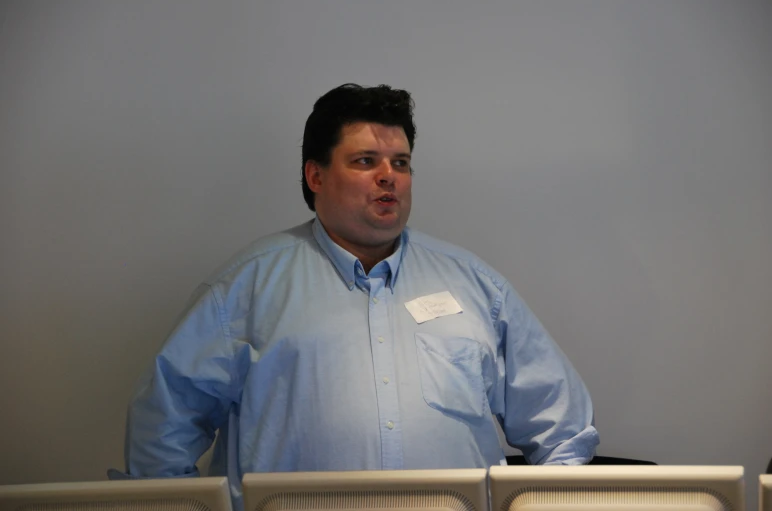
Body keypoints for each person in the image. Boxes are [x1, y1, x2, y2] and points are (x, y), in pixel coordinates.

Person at [112, 83, 599, 508]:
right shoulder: (245, 290)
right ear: (316, 176)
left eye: (401, 163)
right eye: (366, 161)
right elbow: (160, 442)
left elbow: (563, 432)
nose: (389, 176)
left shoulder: (475, 286)